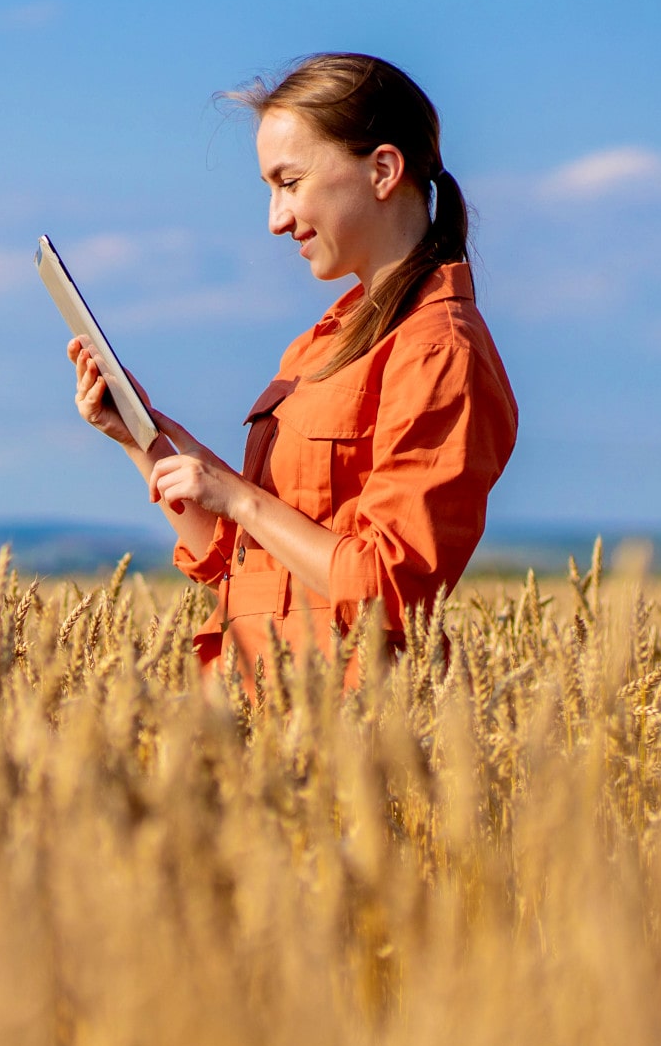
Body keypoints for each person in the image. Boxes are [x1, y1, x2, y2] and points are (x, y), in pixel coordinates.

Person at [67, 53, 517, 691]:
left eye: (290, 182)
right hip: (252, 708)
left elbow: (391, 588)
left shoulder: (438, 350)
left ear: (383, 170)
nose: (276, 220)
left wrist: (239, 497)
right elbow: (238, 564)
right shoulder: (318, 347)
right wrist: (142, 438)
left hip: (354, 722)